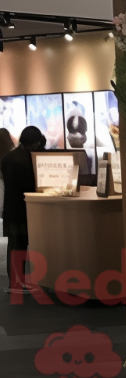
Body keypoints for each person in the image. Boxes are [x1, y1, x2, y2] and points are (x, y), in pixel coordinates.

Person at [1, 126, 46, 294]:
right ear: (35, 143)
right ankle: (16, 284)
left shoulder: (10, 157)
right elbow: (31, 186)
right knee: (19, 245)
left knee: (14, 244)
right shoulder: (25, 160)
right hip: (21, 209)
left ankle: (15, 282)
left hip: (11, 208)